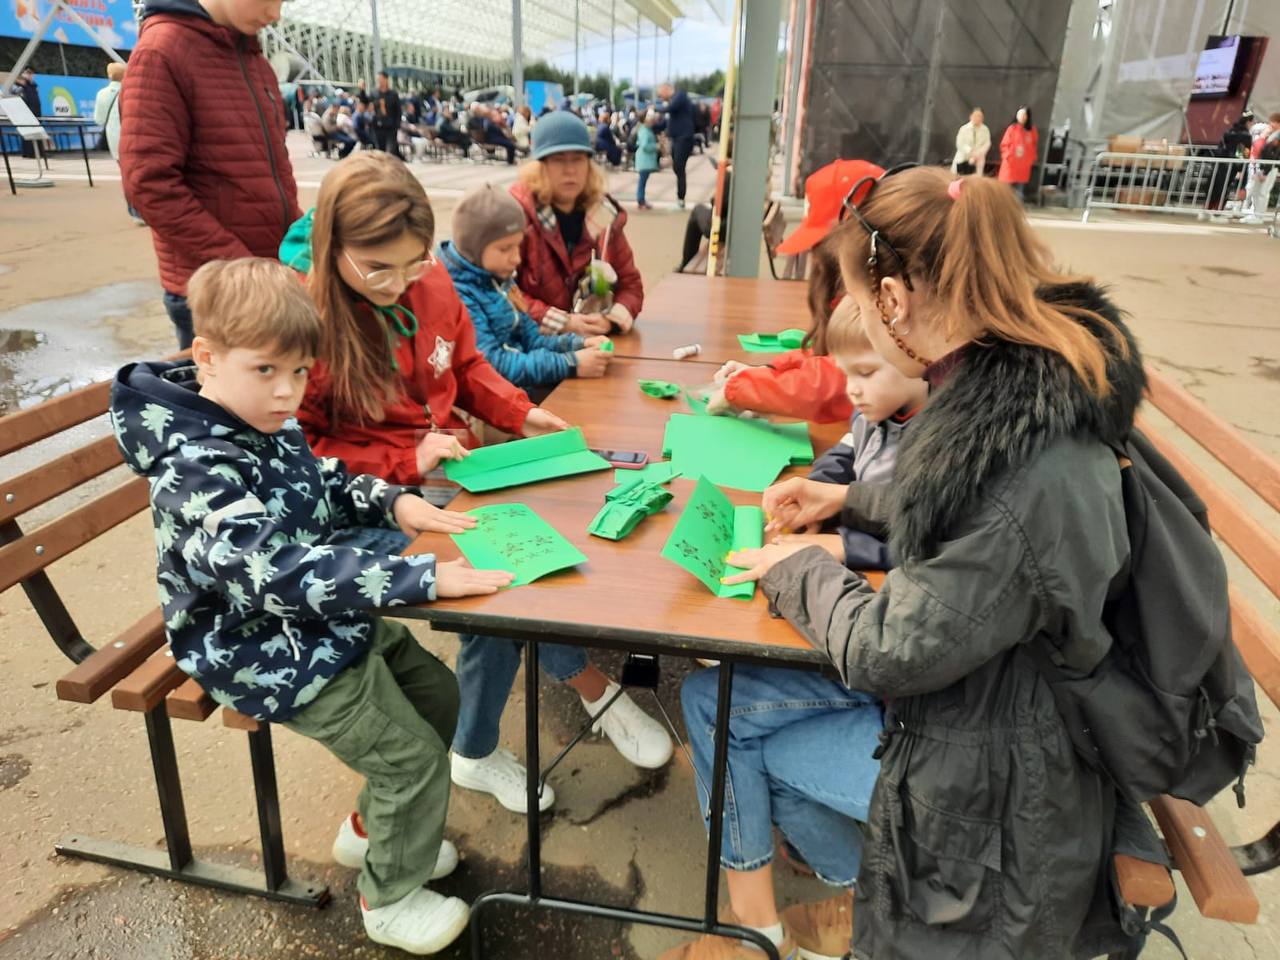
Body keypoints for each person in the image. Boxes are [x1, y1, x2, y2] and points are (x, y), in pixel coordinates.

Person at [723, 168, 1156, 960]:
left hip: (1004, 789)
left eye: (862, 303)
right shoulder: (1021, 386)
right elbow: (972, 507)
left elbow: (887, 647)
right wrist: (849, 499)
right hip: (1004, 717)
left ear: (894, 299)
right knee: (738, 717)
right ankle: (836, 904)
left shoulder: (1023, 458)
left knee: (736, 726)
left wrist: (794, 568)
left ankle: (837, 911)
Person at [110, 257, 513, 954]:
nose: (287, 391)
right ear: (206, 357)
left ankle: (372, 832)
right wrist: (417, 577)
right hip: (254, 648)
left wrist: (392, 501)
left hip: (322, 619)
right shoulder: (195, 467)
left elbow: (321, 481)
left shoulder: (261, 419)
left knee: (439, 700)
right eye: (266, 369)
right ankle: (389, 898)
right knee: (411, 761)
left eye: (299, 372)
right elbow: (272, 573)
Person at [281, 152, 672, 813]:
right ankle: (483, 746)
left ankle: (580, 689)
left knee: (545, 534)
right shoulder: (299, 317)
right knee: (495, 585)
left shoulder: (430, 280)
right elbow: (297, 453)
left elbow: (465, 367)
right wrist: (404, 458)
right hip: (352, 509)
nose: (398, 284)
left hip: (436, 474)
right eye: (377, 269)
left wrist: (520, 413)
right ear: (331, 249)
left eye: (412, 264)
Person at [662, 301, 927, 960]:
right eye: (846, 372)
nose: (851, 390)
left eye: (865, 373)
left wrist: (838, 549)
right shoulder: (889, 413)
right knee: (727, 722)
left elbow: (939, 547)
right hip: (903, 677)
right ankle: (834, 904)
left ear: (925, 351)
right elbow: (852, 455)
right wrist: (820, 489)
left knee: (724, 719)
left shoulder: (951, 442)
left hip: (926, 714)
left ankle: (767, 928)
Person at [119, 0, 301, 351]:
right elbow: (149, 184)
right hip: (215, 288)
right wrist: (238, 264)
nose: (276, 14)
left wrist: (299, 236)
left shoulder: (254, 60)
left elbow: (272, 171)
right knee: (228, 385)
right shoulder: (163, 50)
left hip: (267, 277)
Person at [439, 184, 609, 394]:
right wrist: (570, 363)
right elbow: (493, 365)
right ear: (473, 247)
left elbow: (532, 339)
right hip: (497, 398)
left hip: (521, 389)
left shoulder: (499, 277)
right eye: (505, 249)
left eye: (517, 245)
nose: (516, 258)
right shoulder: (459, 293)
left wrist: (579, 344)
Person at [509, 110, 645, 337]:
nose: (570, 170)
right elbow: (503, 293)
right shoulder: (516, 216)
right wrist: (563, 322)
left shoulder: (603, 217)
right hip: (530, 345)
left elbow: (631, 286)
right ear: (539, 167)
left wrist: (610, 321)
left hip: (587, 345)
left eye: (578, 159)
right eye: (558, 159)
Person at [93, 62, 142, 224]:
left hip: (116, 141)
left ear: (110, 75)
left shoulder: (102, 94)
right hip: (137, 138)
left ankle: (135, 212)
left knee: (126, 176)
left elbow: (99, 119)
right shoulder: (134, 90)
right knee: (142, 174)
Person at [657, 82, 695, 208]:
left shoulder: (680, 96)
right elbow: (669, 120)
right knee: (677, 167)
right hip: (677, 138)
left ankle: (681, 198)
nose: (661, 98)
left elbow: (671, 108)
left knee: (679, 167)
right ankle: (680, 197)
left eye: (660, 95)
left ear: (666, 89)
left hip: (684, 138)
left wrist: (656, 108)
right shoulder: (675, 102)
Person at [1241, 112, 1280, 224]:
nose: (1271, 124)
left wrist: (1266, 172)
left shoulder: (1277, 137)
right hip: (1264, 166)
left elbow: (1273, 154)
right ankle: (1254, 214)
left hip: (1270, 167)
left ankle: (1259, 216)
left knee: (1262, 192)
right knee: (1256, 191)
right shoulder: (1272, 135)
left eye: (1273, 122)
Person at [998, 105, 1038, 198]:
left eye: (1024, 114)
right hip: (1010, 164)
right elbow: (1004, 145)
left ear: (1028, 116)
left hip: (1023, 165)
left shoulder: (1032, 130)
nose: (1022, 117)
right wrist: (1007, 156)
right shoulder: (1011, 128)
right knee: (1004, 191)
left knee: (1019, 193)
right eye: (1020, 114)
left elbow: (1034, 146)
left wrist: (1031, 159)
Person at [952, 107, 991, 175]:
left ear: (983, 118)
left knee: (975, 179)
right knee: (959, 178)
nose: (977, 118)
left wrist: (978, 153)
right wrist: (970, 152)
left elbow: (987, 144)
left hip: (978, 159)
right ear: (971, 116)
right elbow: (960, 143)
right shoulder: (964, 129)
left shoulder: (985, 130)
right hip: (963, 158)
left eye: (980, 116)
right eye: (975, 115)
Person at [372, 71, 402, 158]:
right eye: (378, 79)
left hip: (391, 128)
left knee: (390, 152)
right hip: (378, 128)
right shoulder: (374, 93)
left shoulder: (393, 94)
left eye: (381, 79)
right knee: (380, 152)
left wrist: (397, 125)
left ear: (386, 80)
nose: (379, 81)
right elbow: (366, 104)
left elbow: (398, 111)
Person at [635, 111, 659, 210]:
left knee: (643, 181)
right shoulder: (645, 131)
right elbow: (644, 146)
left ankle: (642, 200)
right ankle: (641, 200)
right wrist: (655, 146)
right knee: (642, 181)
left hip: (645, 160)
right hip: (644, 160)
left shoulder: (645, 129)